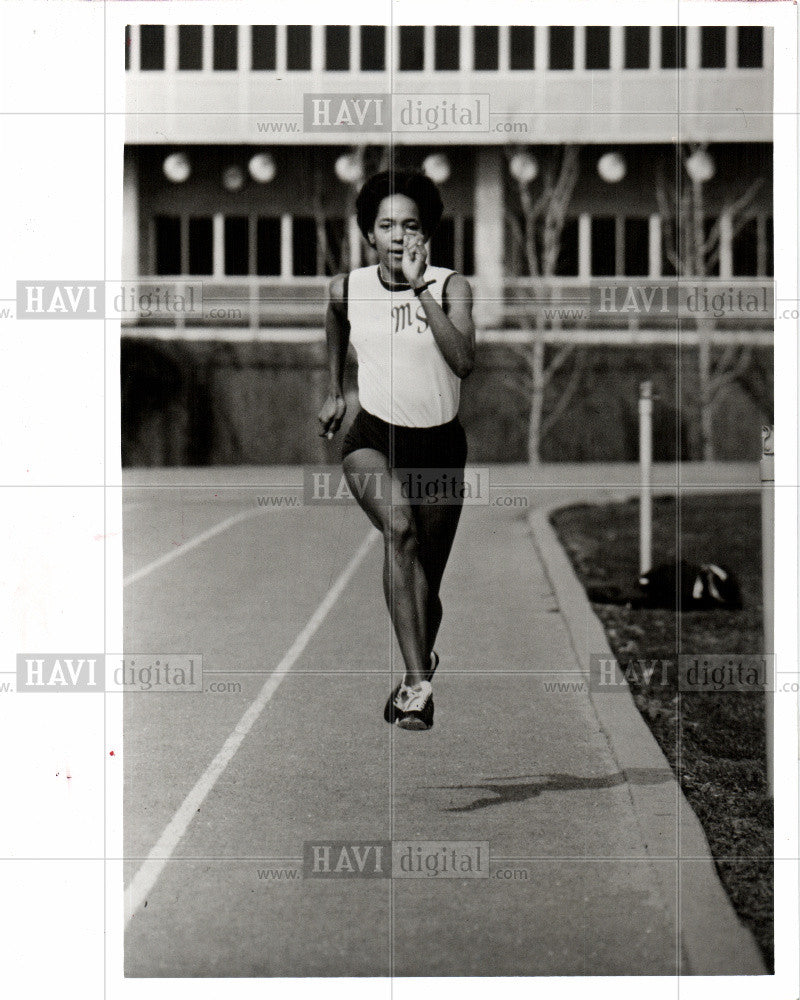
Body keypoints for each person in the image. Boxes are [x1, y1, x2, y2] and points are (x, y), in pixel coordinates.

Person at [318, 170, 475, 731]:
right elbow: (336, 319)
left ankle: (420, 661)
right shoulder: (348, 286)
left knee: (426, 590)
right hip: (373, 439)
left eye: (409, 225)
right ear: (368, 233)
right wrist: (335, 389)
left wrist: (418, 289)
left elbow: (462, 361)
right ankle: (417, 688)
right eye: (386, 225)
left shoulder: (452, 286)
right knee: (399, 530)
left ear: (426, 233)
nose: (397, 235)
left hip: (438, 445)